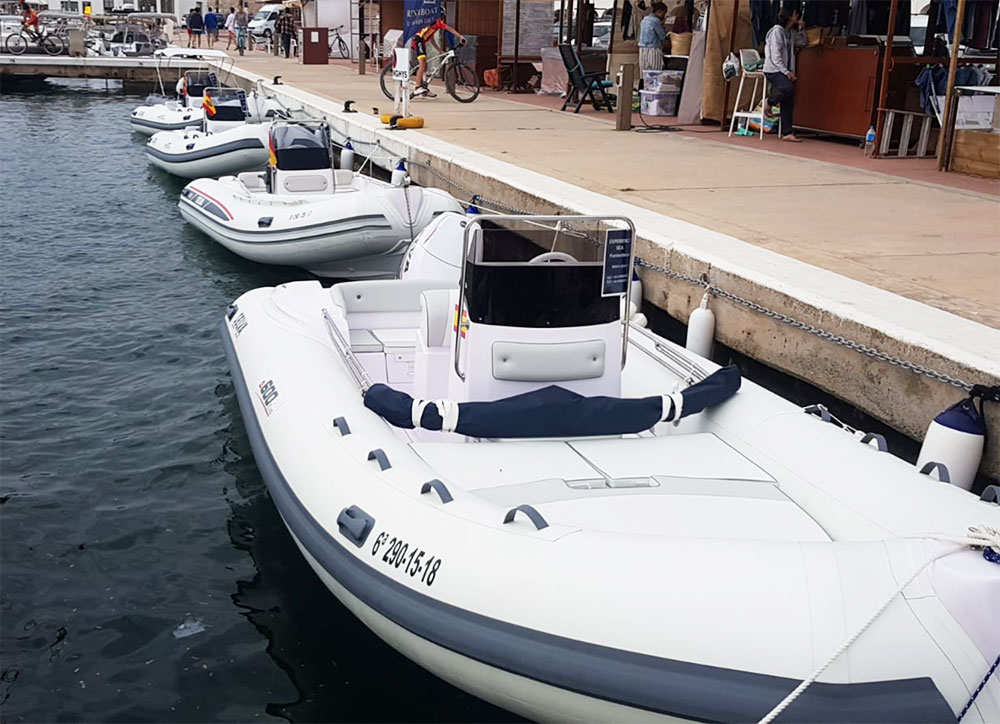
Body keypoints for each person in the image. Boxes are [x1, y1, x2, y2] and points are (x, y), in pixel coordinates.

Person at [762, 8, 806, 142]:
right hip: (773, 69)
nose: (798, 17)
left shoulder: (790, 33)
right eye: (796, 15)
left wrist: (802, 29)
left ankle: (787, 132)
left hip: (784, 69)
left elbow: (802, 42)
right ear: (790, 17)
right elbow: (775, 57)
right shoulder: (776, 32)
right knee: (788, 88)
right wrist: (787, 72)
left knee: (789, 97)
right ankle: (770, 102)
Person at [409, 13, 465, 98]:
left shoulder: (432, 27)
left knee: (425, 66)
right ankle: (417, 87)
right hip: (418, 40)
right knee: (422, 64)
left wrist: (440, 51)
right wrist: (460, 36)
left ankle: (424, 89)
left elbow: (432, 40)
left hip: (421, 42)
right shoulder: (436, 22)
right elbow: (448, 28)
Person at [638, 2, 667, 73]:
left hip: (642, 49)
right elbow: (662, 37)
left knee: (644, 72)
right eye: (664, 13)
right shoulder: (656, 21)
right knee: (655, 72)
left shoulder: (644, 20)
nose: (664, 16)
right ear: (659, 12)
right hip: (653, 49)